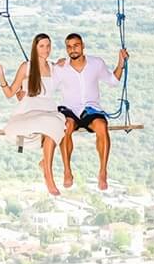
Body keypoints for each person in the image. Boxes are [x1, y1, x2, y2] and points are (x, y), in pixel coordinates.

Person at [51, 32, 128, 191]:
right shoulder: (60, 68)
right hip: (70, 110)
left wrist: (121, 63)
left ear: (83, 46)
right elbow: (47, 86)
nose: (73, 49)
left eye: (76, 45)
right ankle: (67, 170)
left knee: (101, 125)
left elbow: (113, 81)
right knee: (66, 126)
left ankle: (102, 172)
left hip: (91, 109)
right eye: (69, 47)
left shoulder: (96, 63)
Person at [0, 33, 67, 196]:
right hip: (28, 113)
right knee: (53, 124)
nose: (46, 49)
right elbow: (10, 93)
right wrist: (1, 76)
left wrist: (64, 63)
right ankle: (47, 172)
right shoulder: (26, 66)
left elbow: (73, 71)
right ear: (35, 47)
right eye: (42, 46)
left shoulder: (54, 68)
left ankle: (46, 169)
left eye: (48, 46)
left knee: (56, 123)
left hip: (48, 112)